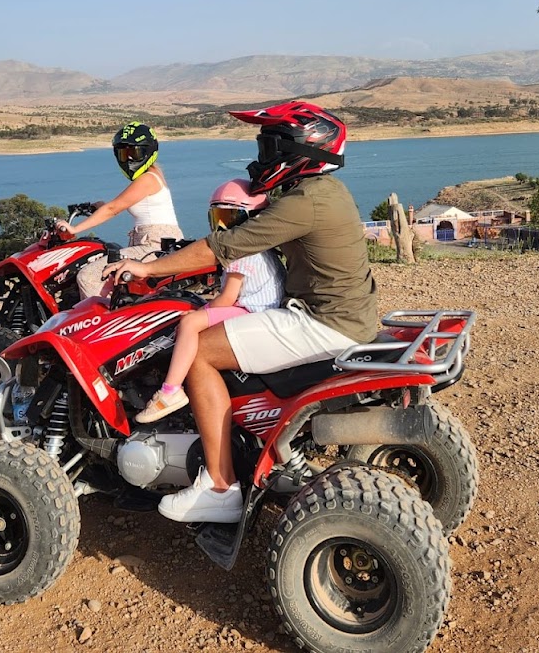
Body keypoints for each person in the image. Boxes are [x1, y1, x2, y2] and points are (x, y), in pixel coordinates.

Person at [102, 101, 378, 524]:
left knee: (197, 352)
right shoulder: (321, 193)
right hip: (345, 316)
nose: (261, 157)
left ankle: (217, 487)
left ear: (299, 150)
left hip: (323, 322)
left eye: (269, 146)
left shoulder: (305, 201)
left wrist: (148, 267)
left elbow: (223, 246)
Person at [135, 179, 284, 424]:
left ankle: (170, 391)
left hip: (253, 312)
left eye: (229, 217)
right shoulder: (262, 247)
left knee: (190, 323)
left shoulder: (240, 250)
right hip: (263, 309)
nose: (222, 226)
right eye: (218, 217)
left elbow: (227, 298)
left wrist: (200, 312)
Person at [56, 122, 183, 299]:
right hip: (153, 243)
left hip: (153, 245)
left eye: (134, 152)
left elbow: (113, 208)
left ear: (147, 151)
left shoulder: (147, 179)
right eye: (124, 154)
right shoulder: (153, 174)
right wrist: (97, 206)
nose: (129, 159)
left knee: (88, 277)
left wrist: (74, 229)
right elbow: (120, 205)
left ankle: (101, 325)